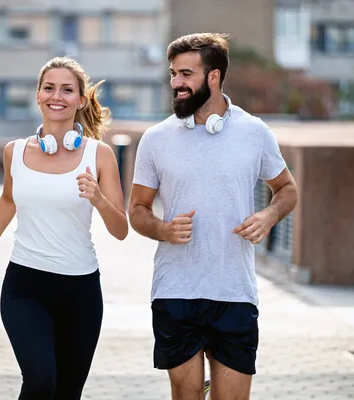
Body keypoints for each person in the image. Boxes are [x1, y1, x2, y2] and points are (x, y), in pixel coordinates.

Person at [128, 33, 299, 400]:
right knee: (186, 395)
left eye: (186, 74)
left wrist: (268, 216)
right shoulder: (156, 139)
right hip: (176, 290)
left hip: (234, 291)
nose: (176, 83)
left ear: (214, 77)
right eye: (174, 74)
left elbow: (287, 189)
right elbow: (137, 211)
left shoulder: (254, 133)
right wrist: (163, 229)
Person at [0, 56, 128, 400]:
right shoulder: (14, 151)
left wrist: (99, 198)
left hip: (80, 291)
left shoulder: (99, 155)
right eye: (49, 87)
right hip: (25, 286)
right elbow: (8, 200)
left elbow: (121, 229)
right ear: (38, 95)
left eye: (67, 89)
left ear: (81, 100)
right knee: (41, 380)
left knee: (67, 392)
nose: (57, 95)